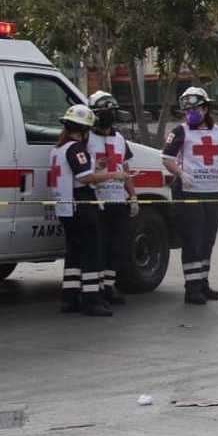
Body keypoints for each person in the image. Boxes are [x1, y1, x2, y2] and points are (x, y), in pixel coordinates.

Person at [160, 87, 218, 305]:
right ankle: (192, 288)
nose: (191, 113)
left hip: (214, 193)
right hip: (189, 192)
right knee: (192, 241)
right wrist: (179, 173)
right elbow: (166, 158)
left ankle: (203, 283)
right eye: (187, 110)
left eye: (195, 109)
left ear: (206, 108)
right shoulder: (179, 132)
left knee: (208, 240)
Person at [55, 104, 128, 317]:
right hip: (82, 205)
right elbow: (84, 178)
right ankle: (91, 301)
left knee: (74, 254)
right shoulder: (76, 149)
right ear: (84, 129)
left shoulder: (59, 148)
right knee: (92, 253)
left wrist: (96, 166)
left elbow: (75, 172)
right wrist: (113, 175)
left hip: (66, 207)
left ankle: (69, 299)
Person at [87, 91, 139, 307]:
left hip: (117, 201)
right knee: (98, 247)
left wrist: (133, 195)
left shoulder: (119, 139)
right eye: (103, 112)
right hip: (96, 201)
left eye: (110, 111)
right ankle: (96, 288)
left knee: (117, 247)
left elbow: (124, 168)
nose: (107, 116)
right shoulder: (86, 137)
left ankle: (109, 286)